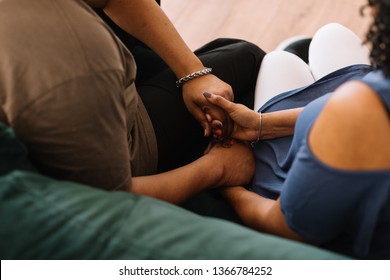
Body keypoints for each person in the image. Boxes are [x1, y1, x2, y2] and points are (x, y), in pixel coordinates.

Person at [0, 0, 265, 208]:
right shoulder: (76, 60)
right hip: (117, 152)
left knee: (224, 54)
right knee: (246, 56)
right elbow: (107, 202)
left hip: (75, 90)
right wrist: (217, 169)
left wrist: (191, 72)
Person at [203, 0, 390, 259]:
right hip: (345, 129)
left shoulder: (359, 111)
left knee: (278, 61)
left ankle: (297, 66)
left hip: (304, 207)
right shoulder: (360, 109)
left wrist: (228, 186)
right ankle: (302, 66)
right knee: (330, 35)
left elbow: (283, 226)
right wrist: (261, 125)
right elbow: (348, 118)